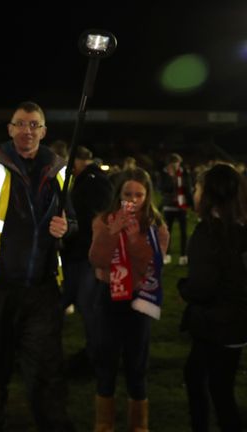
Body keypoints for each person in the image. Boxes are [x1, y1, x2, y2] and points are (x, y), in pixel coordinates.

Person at [0, 101, 75, 432]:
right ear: (10, 129)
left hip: (42, 290)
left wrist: (68, 227)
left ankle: (52, 424)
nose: (28, 131)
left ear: (44, 131)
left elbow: (75, 221)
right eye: (21, 124)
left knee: (46, 372)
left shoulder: (59, 170)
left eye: (34, 125)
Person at [89, 167, 169, 432]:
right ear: (118, 195)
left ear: (148, 197)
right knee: (106, 360)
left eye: (139, 194)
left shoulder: (157, 227)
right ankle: (104, 423)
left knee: (137, 363)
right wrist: (113, 232)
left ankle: (139, 425)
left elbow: (149, 265)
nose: (132, 200)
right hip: (108, 297)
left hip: (139, 300)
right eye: (127, 194)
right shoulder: (103, 220)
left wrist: (133, 237)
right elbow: (98, 259)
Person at [178, 163, 247, 432]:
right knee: (214, 384)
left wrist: (184, 289)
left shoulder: (208, 234)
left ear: (208, 195)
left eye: (197, 188)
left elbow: (202, 288)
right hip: (236, 326)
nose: (194, 192)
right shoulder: (239, 230)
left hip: (216, 326)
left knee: (211, 388)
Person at [61, 146, 113, 370]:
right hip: (79, 253)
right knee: (80, 304)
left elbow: (94, 216)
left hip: (85, 254)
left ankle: (96, 355)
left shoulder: (92, 181)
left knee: (87, 305)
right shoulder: (89, 180)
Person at [158, 153, 193, 265]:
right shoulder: (164, 174)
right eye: (174, 163)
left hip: (181, 206)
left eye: (178, 163)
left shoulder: (184, 173)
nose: (177, 165)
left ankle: (183, 255)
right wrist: (171, 178)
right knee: (167, 232)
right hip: (169, 206)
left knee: (183, 231)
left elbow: (188, 189)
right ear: (170, 163)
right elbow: (162, 189)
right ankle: (167, 254)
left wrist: (192, 204)